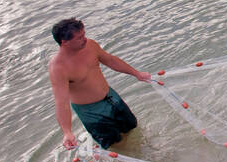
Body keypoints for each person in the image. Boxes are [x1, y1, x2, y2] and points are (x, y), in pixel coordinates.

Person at [48, 18, 150, 149]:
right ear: (65, 42)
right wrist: (67, 132)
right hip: (92, 112)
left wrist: (137, 73)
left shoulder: (89, 45)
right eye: (79, 38)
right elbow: (61, 102)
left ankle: (142, 151)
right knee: (116, 144)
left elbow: (111, 60)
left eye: (84, 34)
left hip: (111, 98)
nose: (84, 39)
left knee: (131, 128)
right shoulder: (58, 68)